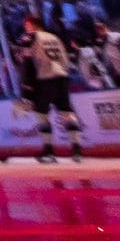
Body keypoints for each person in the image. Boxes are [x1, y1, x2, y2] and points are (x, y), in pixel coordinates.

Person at [16, 15, 83, 163]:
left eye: (26, 24)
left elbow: (27, 63)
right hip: (62, 77)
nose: (25, 27)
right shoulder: (54, 37)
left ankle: (49, 152)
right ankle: (77, 150)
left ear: (30, 24)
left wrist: (26, 87)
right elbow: (65, 60)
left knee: (41, 115)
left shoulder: (29, 38)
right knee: (67, 113)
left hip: (44, 79)